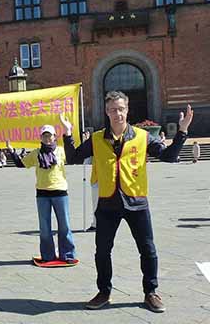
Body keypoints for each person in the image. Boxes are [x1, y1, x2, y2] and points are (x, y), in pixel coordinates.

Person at [61, 91, 193, 313]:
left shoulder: (142, 137)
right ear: (107, 112)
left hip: (137, 201)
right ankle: (104, 292)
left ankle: (150, 292)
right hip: (107, 203)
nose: (117, 114)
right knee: (102, 251)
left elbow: (169, 156)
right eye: (113, 110)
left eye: (121, 109)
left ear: (127, 110)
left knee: (148, 249)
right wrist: (67, 134)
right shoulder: (96, 139)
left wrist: (182, 130)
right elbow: (73, 158)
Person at [6, 125, 76, 263]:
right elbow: (21, 164)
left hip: (60, 192)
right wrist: (11, 150)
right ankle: (48, 255)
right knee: (44, 227)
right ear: (41, 138)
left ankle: (67, 255)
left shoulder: (61, 151)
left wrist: (68, 133)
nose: (47, 138)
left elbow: (73, 157)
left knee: (64, 225)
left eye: (50, 135)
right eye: (44, 135)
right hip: (42, 194)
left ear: (55, 136)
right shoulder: (36, 153)